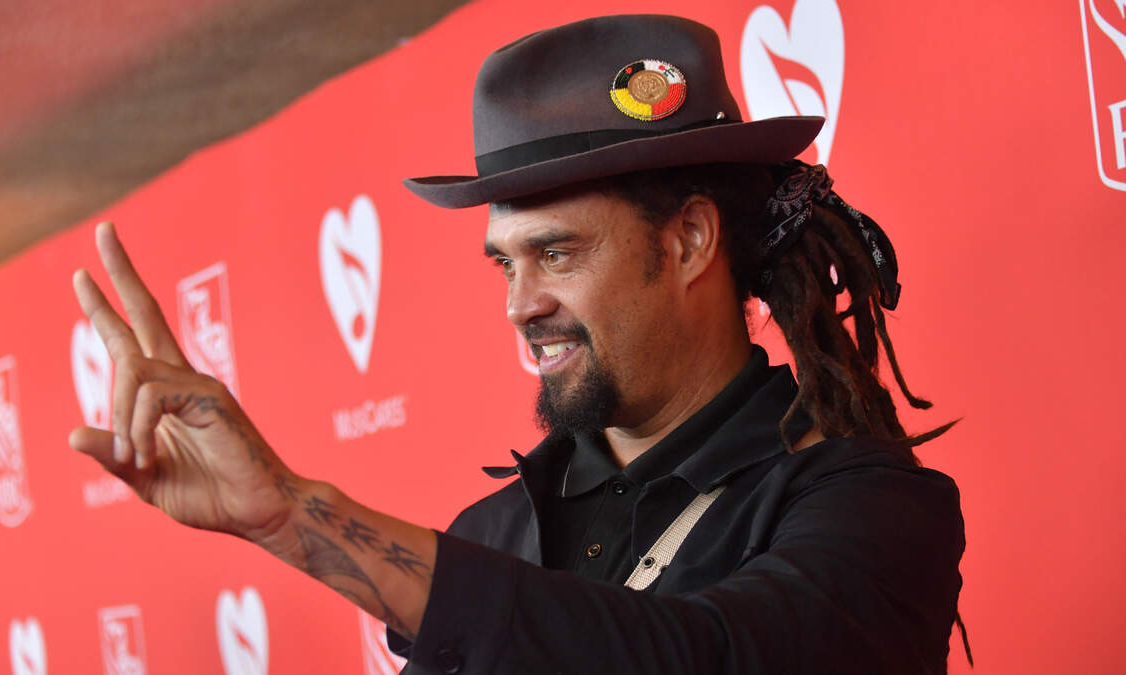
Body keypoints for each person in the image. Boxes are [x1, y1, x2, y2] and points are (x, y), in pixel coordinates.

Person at [69, 14, 965, 675]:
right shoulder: (490, 533)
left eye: (557, 253)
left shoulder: (870, 507)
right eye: (505, 262)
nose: (519, 304)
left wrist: (298, 515)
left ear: (689, 241)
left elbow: (707, 657)